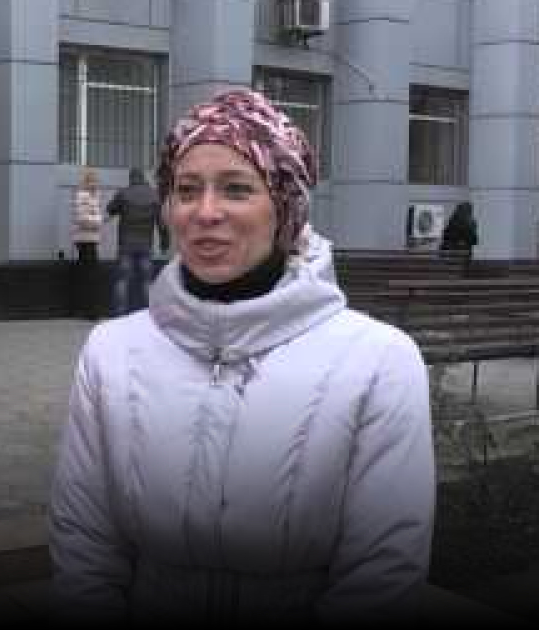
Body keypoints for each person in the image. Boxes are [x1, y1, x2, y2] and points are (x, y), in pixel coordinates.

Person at [50, 89, 435, 626]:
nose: (206, 212)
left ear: (286, 207)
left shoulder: (378, 362)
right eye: (187, 190)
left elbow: (383, 573)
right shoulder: (111, 351)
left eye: (236, 188)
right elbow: (84, 543)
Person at [105, 167, 169, 316]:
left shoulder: (123, 193)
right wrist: (164, 243)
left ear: (131, 178)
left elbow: (110, 209)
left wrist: (119, 205)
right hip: (146, 244)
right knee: (147, 281)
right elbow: (162, 224)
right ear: (143, 178)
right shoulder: (154, 196)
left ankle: (120, 315)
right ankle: (148, 315)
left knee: (122, 280)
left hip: (125, 244)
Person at [71, 168, 104, 319]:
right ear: (86, 182)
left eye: (95, 181)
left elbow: (88, 216)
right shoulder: (82, 196)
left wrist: (96, 219)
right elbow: (82, 218)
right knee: (90, 275)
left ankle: (87, 309)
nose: (95, 184)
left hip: (90, 239)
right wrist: (98, 220)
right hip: (85, 240)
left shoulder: (93, 196)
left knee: (88, 275)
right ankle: (90, 311)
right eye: (92, 181)